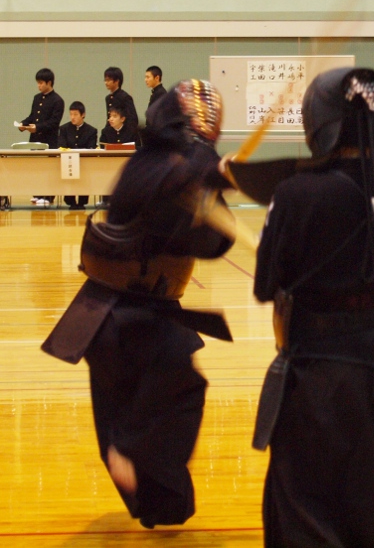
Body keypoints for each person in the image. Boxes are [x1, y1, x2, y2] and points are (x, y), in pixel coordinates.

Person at [236, 67, 374, 548]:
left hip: (320, 381)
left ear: (317, 121)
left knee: (307, 511)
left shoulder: (296, 193)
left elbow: (265, 287)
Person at [42, 79, 235, 530]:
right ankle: (129, 453)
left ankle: (156, 505)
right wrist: (212, 177)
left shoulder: (147, 163)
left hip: (103, 315)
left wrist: (213, 185)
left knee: (123, 408)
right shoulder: (176, 168)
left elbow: (206, 235)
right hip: (136, 318)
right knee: (177, 398)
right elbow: (209, 242)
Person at [19, 68, 65, 207]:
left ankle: (48, 196)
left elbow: (54, 122)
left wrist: (37, 127)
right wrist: (23, 124)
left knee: (49, 169)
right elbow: (33, 116)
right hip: (35, 140)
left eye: (41, 83)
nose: (38, 86)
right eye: (37, 83)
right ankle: (37, 194)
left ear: (49, 83)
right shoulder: (37, 98)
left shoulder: (58, 100)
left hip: (49, 141)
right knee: (36, 168)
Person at [59, 101, 98, 210]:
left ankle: (82, 201)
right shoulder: (64, 129)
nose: (72, 117)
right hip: (68, 162)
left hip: (84, 163)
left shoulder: (91, 130)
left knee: (84, 173)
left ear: (83, 115)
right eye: (71, 114)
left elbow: (91, 148)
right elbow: (61, 146)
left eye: (75, 114)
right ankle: (70, 201)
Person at [104, 66, 139, 132]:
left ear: (117, 81)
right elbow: (109, 118)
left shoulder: (125, 97)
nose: (106, 83)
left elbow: (133, 120)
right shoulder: (108, 98)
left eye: (108, 80)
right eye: (105, 80)